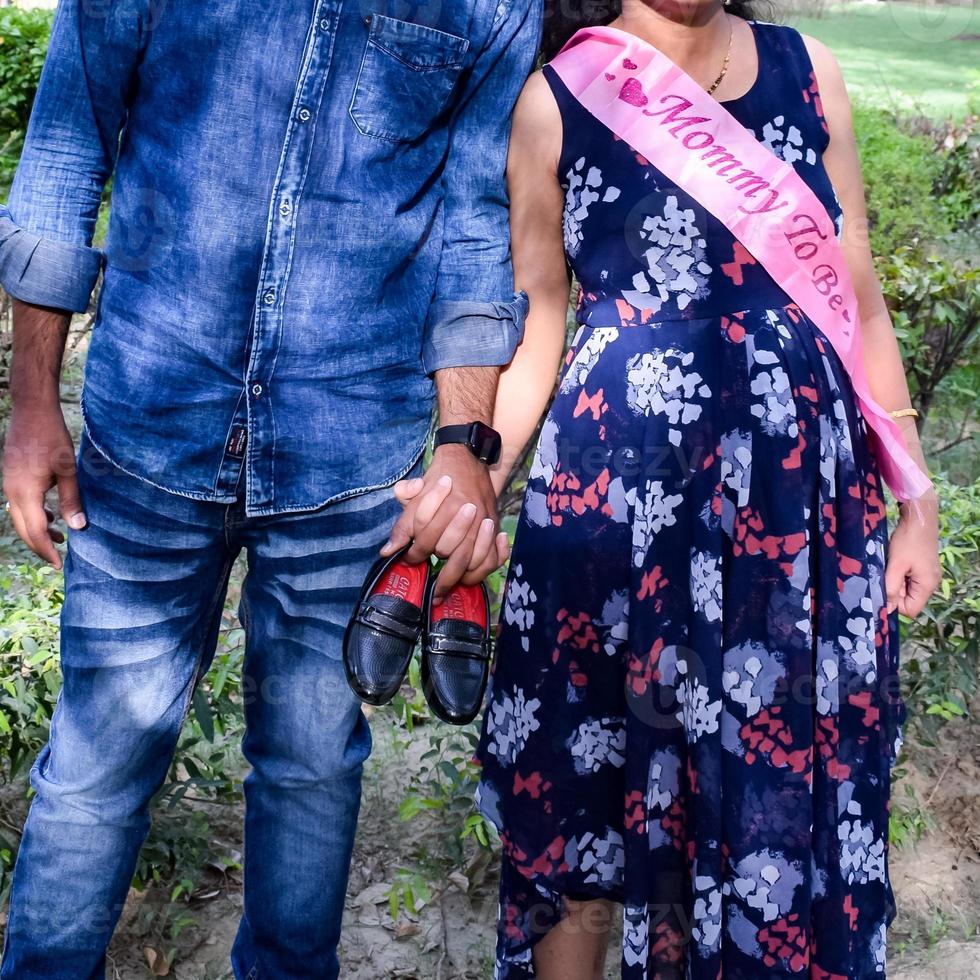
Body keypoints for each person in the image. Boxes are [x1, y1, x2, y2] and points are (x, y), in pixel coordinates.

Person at [0, 2, 541, 977]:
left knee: (309, 777)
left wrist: (463, 444)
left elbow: (473, 227)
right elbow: (63, 150)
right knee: (93, 773)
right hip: (148, 431)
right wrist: (32, 405)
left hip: (348, 459)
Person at [474, 1, 941, 977]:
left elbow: (852, 289)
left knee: (772, 783)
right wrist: (474, 480)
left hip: (790, 515)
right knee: (588, 785)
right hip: (617, 517)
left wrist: (917, 502)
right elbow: (539, 315)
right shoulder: (557, 98)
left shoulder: (804, 68)